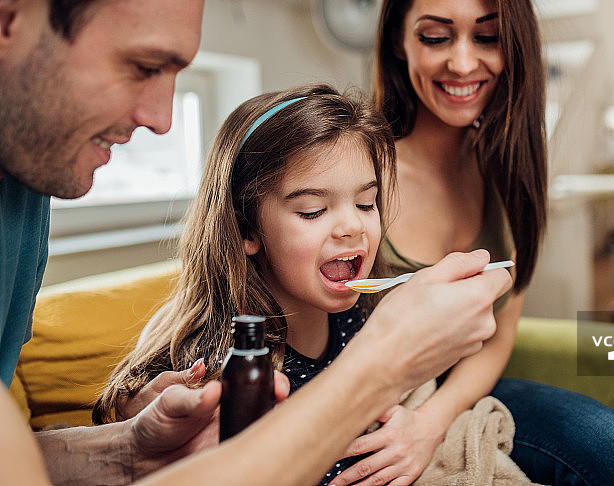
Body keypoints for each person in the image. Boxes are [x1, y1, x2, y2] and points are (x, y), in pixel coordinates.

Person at [0, 0, 511, 485]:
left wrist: (127, 448)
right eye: (144, 66)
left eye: (367, 203)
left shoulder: (24, 197)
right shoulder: (227, 356)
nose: (162, 119)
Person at [360, 0, 614, 485]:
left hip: (468, 387)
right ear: (397, 41)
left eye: (487, 37)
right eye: (435, 37)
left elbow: (499, 333)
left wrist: (433, 421)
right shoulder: (358, 170)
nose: (462, 62)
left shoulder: (507, 171)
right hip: (371, 397)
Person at [97, 84, 394, 485]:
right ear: (246, 228)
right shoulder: (229, 365)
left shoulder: (368, 315)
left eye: (366, 203)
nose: (353, 226)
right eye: (313, 211)